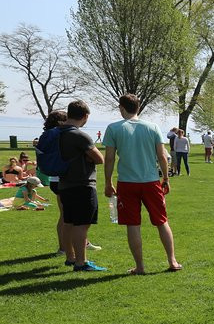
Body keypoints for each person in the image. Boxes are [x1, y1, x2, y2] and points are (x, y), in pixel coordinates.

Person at [103, 94, 182, 276]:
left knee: (133, 225)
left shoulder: (114, 128)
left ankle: (140, 266)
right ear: (138, 108)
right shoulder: (152, 127)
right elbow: (162, 156)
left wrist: (108, 182)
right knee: (162, 221)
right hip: (151, 181)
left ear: (122, 108)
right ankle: (172, 260)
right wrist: (166, 179)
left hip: (127, 183)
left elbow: (109, 158)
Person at [57, 100, 107, 272]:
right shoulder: (79, 135)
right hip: (82, 184)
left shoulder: (58, 133)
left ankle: (70, 257)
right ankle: (81, 262)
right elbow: (100, 159)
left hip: (64, 184)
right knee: (82, 224)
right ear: (85, 116)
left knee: (68, 221)